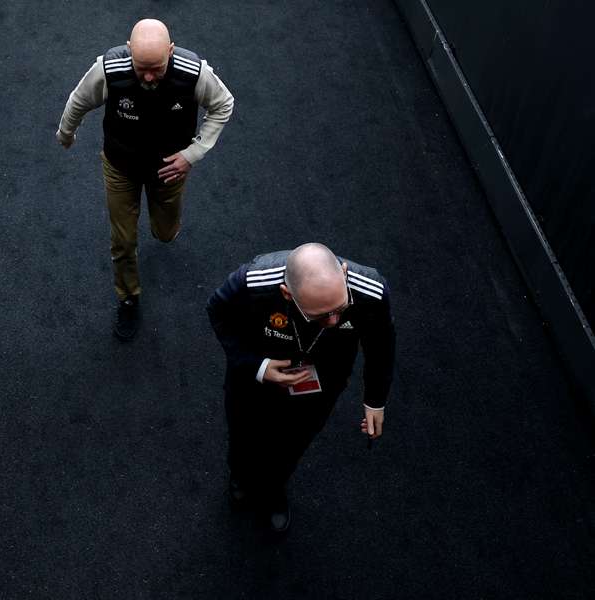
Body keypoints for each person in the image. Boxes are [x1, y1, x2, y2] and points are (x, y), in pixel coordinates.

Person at [57, 18, 234, 340]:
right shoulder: (109, 70)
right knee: (123, 242)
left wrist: (192, 154)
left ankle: (166, 227)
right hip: (120, 167)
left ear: (171, 50)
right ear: (128, 50)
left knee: (164, 233)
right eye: (142, 68)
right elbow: (79, 101)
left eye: (157, 67)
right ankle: (128, 296)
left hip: (168, 170)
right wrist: (65, 133)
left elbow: (223, 104)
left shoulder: (193, 73)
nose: (149, 77)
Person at [206, 243, 395, 534]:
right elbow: (218, 311)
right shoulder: (254, 281)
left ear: (344, 275)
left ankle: (273, 489)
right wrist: (257, 365)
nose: (332, 321)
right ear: (286, 293)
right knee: (243, 430)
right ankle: (241, 477)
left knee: (294, 441)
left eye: (340, 309)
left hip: (321, 385)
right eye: (318, 315)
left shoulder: (372, 292)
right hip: (254, 378)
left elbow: (380, 345)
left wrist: (375, 400)